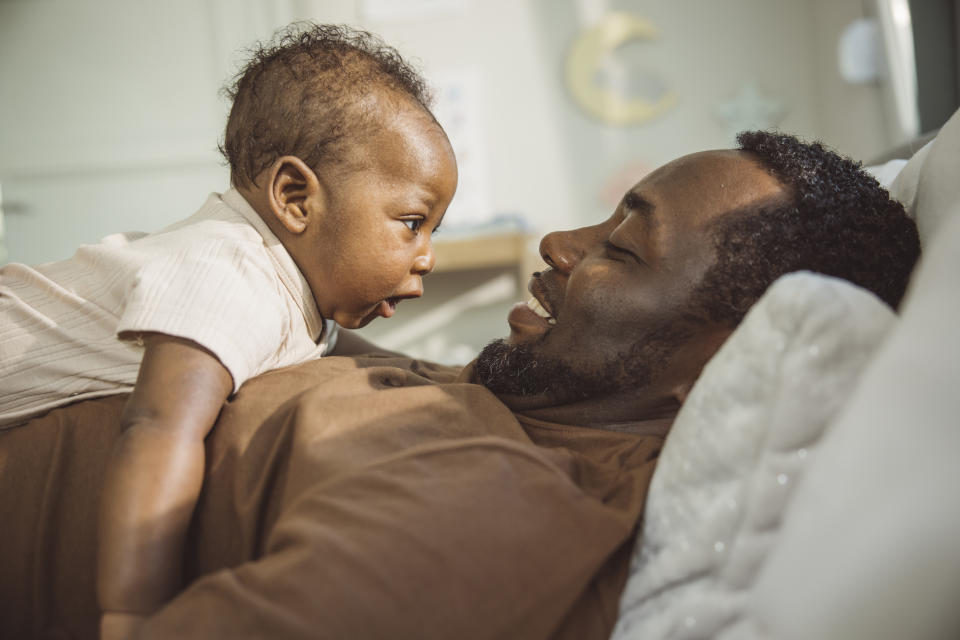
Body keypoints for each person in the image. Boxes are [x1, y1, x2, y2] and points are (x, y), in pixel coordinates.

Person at [0, 132, 918, 640]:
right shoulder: (492, 406)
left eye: (622, 248)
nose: (559, 243)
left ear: (717, 362)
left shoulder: (498, 502)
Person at [0, 23, 457, 639]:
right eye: (412, 222)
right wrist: (133, 612)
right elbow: (159, 428)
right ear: (295, 198)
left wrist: (434, 373)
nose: (427, 256)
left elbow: (338, 346)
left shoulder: (287, 284)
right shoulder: (230, 273)